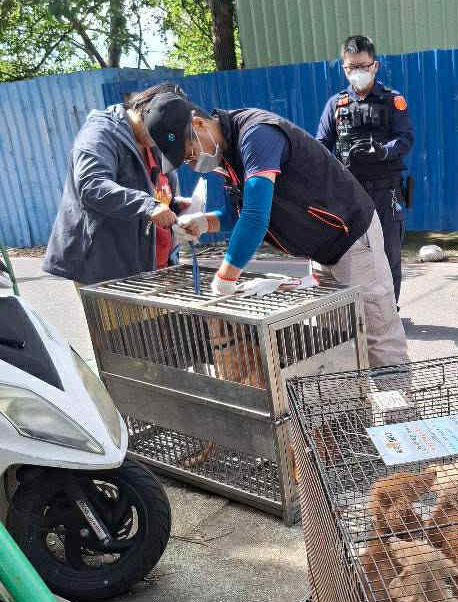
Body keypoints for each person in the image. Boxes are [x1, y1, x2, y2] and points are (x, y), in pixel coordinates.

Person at [144, 93, 408, 369]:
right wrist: (205, 222)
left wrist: (225, 277)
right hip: (320, 249)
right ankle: (354, 408)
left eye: (189, 154)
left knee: (377, 335)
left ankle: (402, 411)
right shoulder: (228, 157)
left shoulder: (257, 134)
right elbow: (239, 213)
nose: (192, 163)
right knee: (340, 341)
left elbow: (256, 216)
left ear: (199, 125)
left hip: (352, 237)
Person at [43, 83, 192, 285]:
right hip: (107, 269)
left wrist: (176, 206)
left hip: (153, 266)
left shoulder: (153, 142)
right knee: (119, 319)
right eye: (158, 133)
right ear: (145, 110)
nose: (159, 142)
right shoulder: (99, 133)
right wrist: (149, 205)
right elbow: (92, 185)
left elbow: (156, 191)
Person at [316, 35, 414, 306]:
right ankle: (358, 314)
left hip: (385, 190)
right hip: (349, 194)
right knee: (349, 255)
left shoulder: (393, 100)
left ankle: (390, 310)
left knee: (389, 254)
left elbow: (405, 139)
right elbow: (321, 146)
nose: (356, 73)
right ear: (344, 68)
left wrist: (383, 150)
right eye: (351, 68)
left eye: (362, 66)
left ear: (375, 66)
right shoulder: (336, 105)